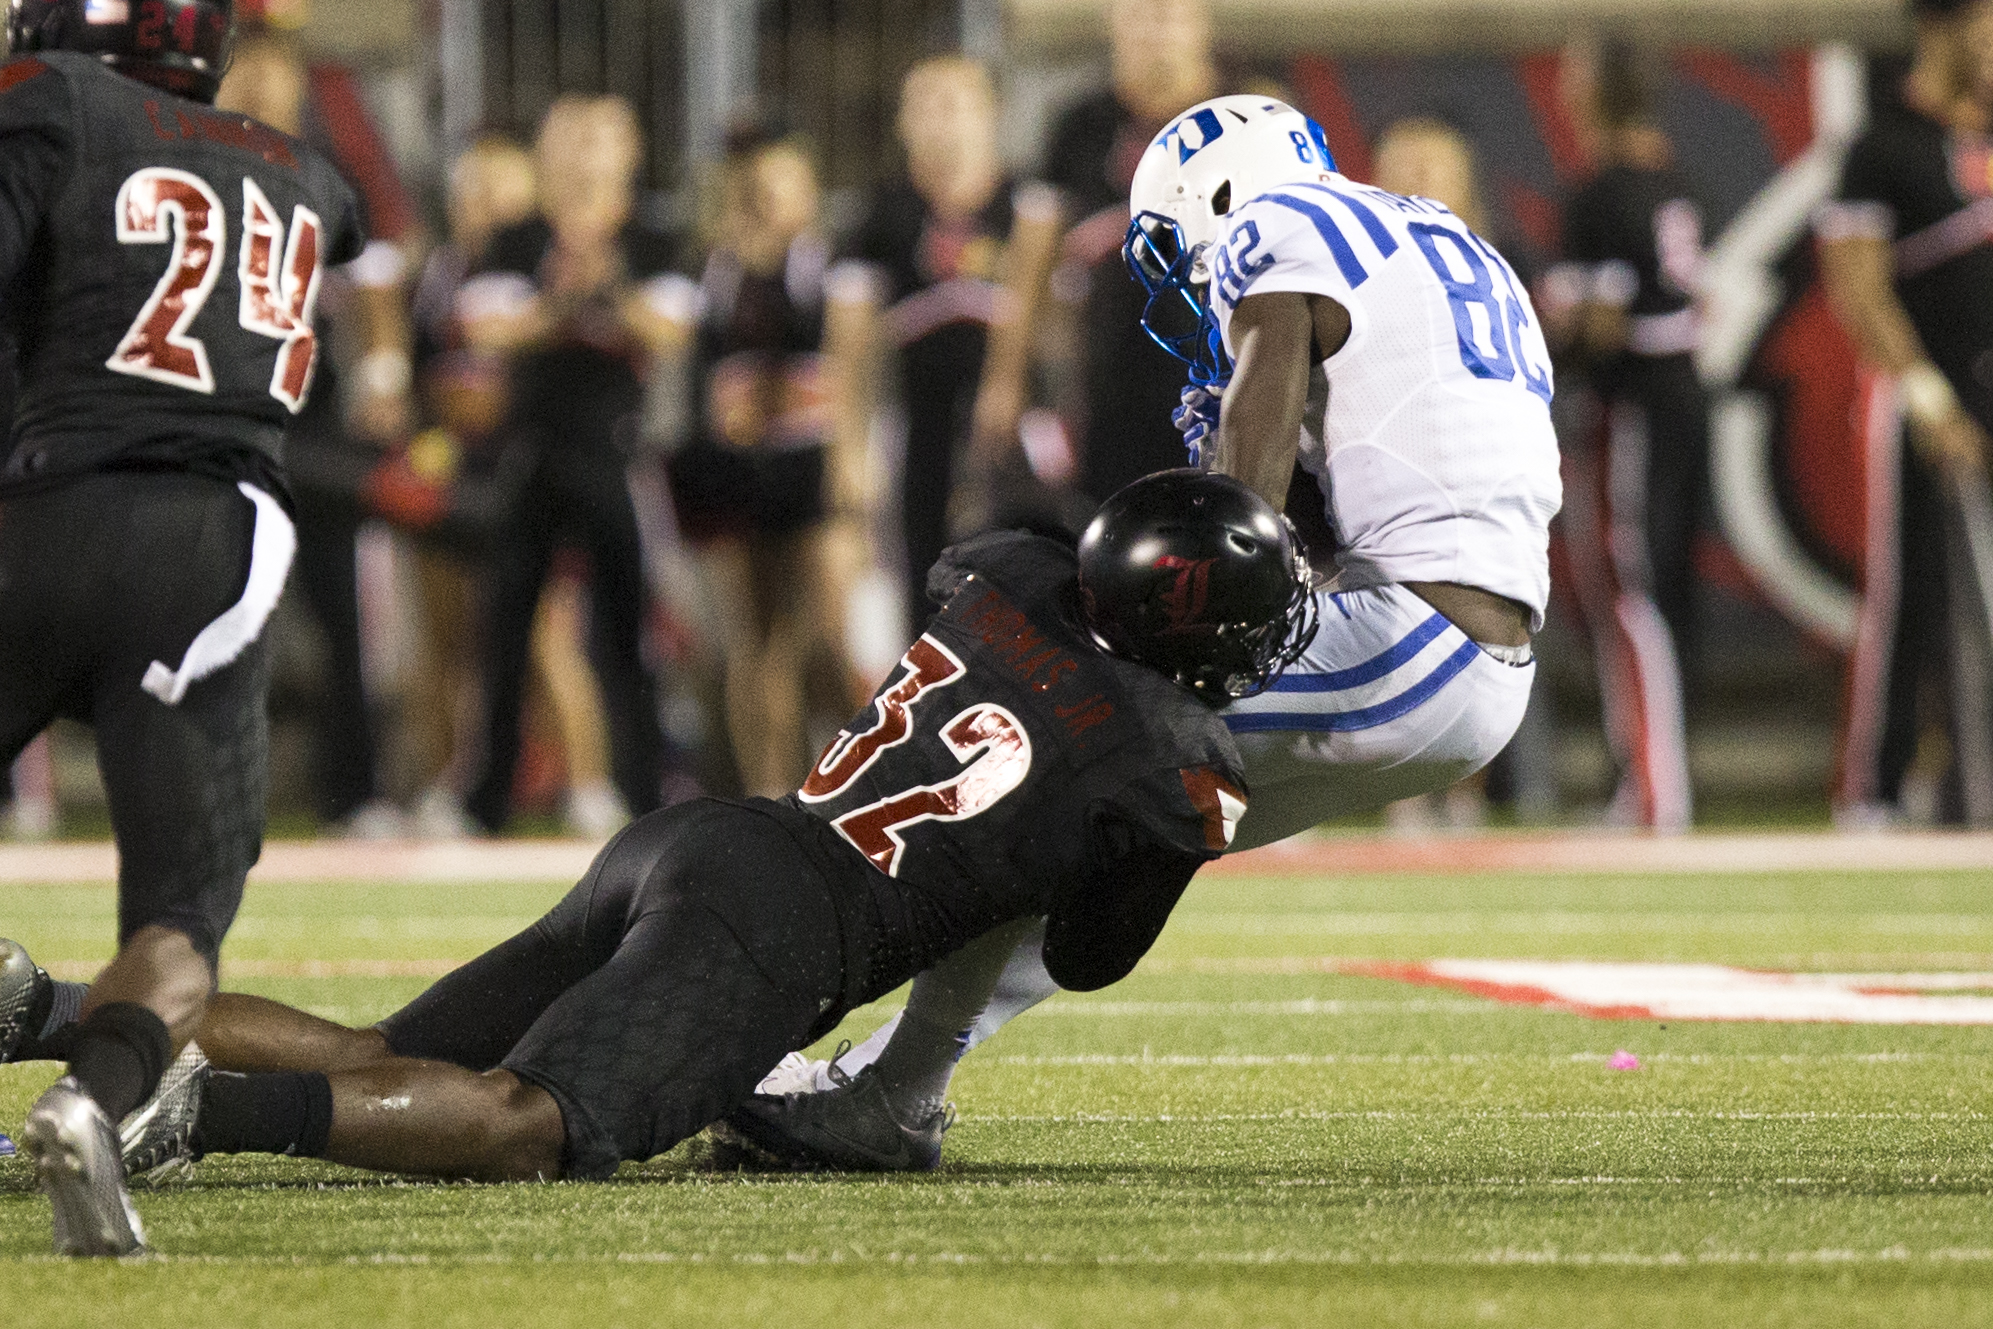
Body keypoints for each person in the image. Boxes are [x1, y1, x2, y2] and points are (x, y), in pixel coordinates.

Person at [5, 471, 1315, 1187]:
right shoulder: (1164, 772)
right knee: (530, 1122)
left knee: (380, 1052)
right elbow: (1086, 955)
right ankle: (195, 1115)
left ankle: (50, 1016)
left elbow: (998, 598)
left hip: (704, 839)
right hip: (781, 930)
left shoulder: (1004, 575)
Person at [741, 96, 1561, 1172]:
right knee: (1099, 834)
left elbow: (1258, 453)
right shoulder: (1441, 234)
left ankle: (813, 1032)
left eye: (1180, 243)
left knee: (1043, 762)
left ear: (1225, 196)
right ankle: (897, 1080)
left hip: (1406, 639)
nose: (1183, 277)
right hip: (1471, 656)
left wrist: (1226, 519)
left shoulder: (1280, 224)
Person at [0, 1, 362, 1254]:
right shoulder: (299, 167)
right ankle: (95, 1103)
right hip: (207, 548)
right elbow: (343, 221)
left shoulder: (51, 102)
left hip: (37, 515)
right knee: (177, 921)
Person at [216, 18, 417, 838]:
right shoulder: (195, 165)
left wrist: (384, 374)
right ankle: (208, 800)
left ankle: (357, 791)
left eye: (276, 68)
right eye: (246, 68)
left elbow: (376, 290)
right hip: (216, 421)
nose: (262, 84)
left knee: (342, 614)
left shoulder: (326, 175)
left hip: (313, 416)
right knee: (210, 620)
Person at [456, 96, 672, 833]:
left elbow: (670, 327)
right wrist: (573, 303)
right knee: (506, 632)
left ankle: (645, 792)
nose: (583, 154)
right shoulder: (516, 236)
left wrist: (586, 299)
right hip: (533, 449)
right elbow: (488, 329)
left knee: (626, 635)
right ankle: (488, 799)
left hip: (616, 452)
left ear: (628, 152)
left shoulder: (650, 234)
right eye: (569, 137)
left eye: (598, 138)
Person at [1818, 0, 1993, 825]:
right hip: (1924, 400)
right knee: (1909, 597)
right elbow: (1858, 288)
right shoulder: (1883, 147)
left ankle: (1969, 783)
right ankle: (1874, 791)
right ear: (1940, 29)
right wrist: (1925, 392)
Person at [1537, 43, 1710, 832]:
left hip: (1631, 403)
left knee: (1622, 585)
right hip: (1681, 389)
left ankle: (1649, 785)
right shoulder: (1677, 180)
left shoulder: (1602, 191)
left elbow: (1600, 324)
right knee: (1646, 585)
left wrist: (1554, 347)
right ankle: (1645, 779)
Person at [841, 56, 1066, 633]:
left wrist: (1008, 384)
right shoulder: (881, 216)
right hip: (918, 430)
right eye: (924, 105)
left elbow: (1051, 318)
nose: (941, 121)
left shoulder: (1030, 206)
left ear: (990, 114)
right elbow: (852, 342)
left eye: (955, 103)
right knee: (922, 584)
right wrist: (850, 449)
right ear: (902, 123)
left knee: (1027, 586)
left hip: (1021, 434)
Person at [664, 127, 857, 797]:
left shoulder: (826, 265)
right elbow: (692, 366)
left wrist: (852, 458)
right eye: (754, 190)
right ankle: (770, 800)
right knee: (755, 647)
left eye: (780, 188)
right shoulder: (712, 273)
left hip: (812, 469)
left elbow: (851, 357)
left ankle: (856, 785)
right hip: (737, 473)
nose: (766, 203)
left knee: (829, 639)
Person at [1044, 0, 1222, 504]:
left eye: (1169, 11)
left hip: (1222, 369)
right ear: (1113, 20)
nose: (1155, 26)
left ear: (1200, 19)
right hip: (1107, 381)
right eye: (1140, 10)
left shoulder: (1248, 112)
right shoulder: (1078, 126)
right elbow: (1040, 253)